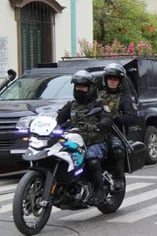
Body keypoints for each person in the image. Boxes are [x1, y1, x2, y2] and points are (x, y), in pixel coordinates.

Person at [56, 70, 113, 204]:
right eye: (78, 87)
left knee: (91, 160)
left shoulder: (99, 104)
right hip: (74, 142)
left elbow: (107, 118)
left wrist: (102, 124)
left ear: (91, 88)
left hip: (95, 142)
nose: (80, 89)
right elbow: (58, 119)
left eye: (83, 87)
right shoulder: (72, 105)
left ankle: (100, 191)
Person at [100, 63, 137, 190]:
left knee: (117, 149)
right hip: (97, 131)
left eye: (115, 79)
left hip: (114, 133)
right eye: (110, 79)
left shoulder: (124, 99)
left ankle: (118, 178)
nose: (112, 82)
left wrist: (115, 117)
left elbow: (132, 118)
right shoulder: (98, 96)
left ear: (120, 81)